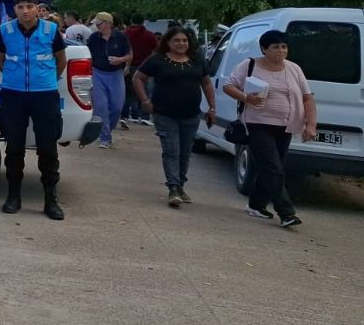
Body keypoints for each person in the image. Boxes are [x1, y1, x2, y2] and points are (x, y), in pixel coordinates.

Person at [223, 30, 317, 228]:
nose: (280, 51)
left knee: (271, 168)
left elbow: (307, 98)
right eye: (275, 47)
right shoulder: (249, 65)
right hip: (257, 124)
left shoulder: (294, 69)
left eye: (284, 47)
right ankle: (286, 212)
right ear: (264, 49)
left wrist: (311, 125)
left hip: (286, 126)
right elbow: (229, 86)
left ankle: (256, 205)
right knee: (273, 168)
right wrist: (246, 97)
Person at [0, 0, 68, 220]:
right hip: (14, 94)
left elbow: (60, 60)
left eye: (29, 6)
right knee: (14, 147)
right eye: (20, 7)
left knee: (47, 148)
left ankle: (50, 200)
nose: (24, 11)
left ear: (37, 8)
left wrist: (46, 81)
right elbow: (0, 60)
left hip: (44, 95)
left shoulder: (51, 30)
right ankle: (13, 197)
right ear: (14, 10)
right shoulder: (5, 30)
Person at [133, 26, 216, 207]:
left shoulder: (197, 60)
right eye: (177, 40)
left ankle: (181, 186)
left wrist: (212, 108)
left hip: (191, 114)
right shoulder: (157, 60)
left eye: (184, 40)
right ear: (168, 42)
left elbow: (207, 83)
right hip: (164, 113)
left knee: (185, 153)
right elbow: (138, 78)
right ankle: (173, 188)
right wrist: (145, 101)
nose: (181, 44)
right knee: (172, 151)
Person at [87, 12, 133, 148]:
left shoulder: (121, 37)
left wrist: (121, 61)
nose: (96, 26)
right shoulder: (94, 38)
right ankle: (105, 137)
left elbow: (130, 55)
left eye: (99, 23)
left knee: (117, 106)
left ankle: (108, 130)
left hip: (116, 73)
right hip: (97, 73)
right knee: (100, 107)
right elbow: (88, 54)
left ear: (108, 24)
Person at [123, 13, 159, 126]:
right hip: (145, 66)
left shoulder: (125, 34)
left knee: (128, 91)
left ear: (131, 21)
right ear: (143, 22)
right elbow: (156, 49)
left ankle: (127, 114)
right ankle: (144, 115)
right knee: (144, 91)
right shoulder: (149, 35)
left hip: (128, 65)